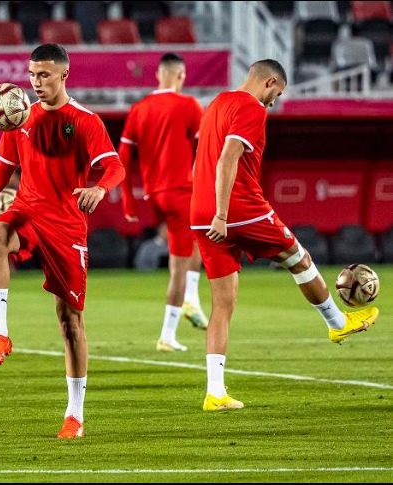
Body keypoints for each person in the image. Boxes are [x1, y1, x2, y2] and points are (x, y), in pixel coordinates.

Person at [0, 44, 125, 439]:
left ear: (64, 75)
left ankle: (75, 413)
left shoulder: (83, 120)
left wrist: (100, 189)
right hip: (27, 211)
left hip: (66, 226)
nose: (35, 82)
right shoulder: (19, 119)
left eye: (44, 75)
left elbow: (114, 165)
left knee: (70, 323)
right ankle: (0, 333)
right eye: (31, 75)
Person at [190, 59, 380, 412]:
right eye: (275, 94)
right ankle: (337, 322)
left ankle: (215, 392)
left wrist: (207, 210)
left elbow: (203, 157)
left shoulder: (217, 103)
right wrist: (221, 213)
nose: (273, 102)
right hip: (237, 209)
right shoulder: (251, 108)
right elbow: (227, 158)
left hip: (199, 213)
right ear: (270, 81)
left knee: (222, 304)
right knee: (299, 258)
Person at [119, 53, 208, 353]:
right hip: (181, 189)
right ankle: (173, 327)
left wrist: (129, 202)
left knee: (197, 237)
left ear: (159, 74)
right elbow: (206, 147)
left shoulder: (139, 108)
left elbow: (124, 156)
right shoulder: (188, 105)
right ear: (181, 75)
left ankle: (191, 301)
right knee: (182, 264)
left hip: (154, 193)